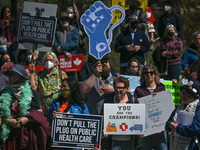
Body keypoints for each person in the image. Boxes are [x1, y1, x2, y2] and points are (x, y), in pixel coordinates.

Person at [0, 62, 51, 150]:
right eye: (7, 74)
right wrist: (8, 120)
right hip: (10, 134)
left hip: (26, 133)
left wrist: (27, 119)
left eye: (11, 74)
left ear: (18, 76)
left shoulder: (30, 92)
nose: (8, 77)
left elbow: (38, 113)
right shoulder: (4, 92)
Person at [134, 64, 167, 150]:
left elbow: (166, 107)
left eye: (151, 72)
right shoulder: (139, 90)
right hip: (146, 128)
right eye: (146, 73)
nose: (149, 75)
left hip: (160, 129)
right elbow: (136, 108)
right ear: (143, 75)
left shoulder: (161, 88)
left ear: (155, 74)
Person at [101, 76, 135, 150]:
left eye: (121, 88)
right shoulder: (108, 100)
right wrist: (104, 130)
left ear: (126, 89)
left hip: (130, 141)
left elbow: (138, 119)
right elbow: (102, 118)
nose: (118, 90)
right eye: (116, 88)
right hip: (113, 141)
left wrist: (140, 130)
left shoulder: (133, 100)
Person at [165, 78, 200, 150]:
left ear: (192, 95)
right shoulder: (179, 107)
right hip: (175, 145)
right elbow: (168, 123)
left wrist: (178, 129)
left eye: (185, 93)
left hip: (190, 146)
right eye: (182, 93)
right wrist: (170, 124)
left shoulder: (198, 108)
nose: (182, 95)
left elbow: (196, 128)